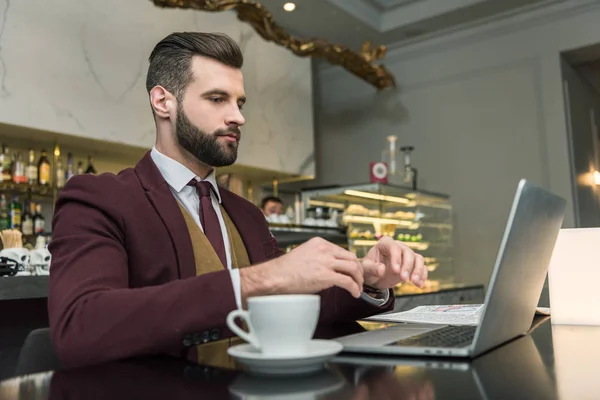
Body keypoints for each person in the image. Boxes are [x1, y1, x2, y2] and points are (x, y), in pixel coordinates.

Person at [48, 32, 427, 369]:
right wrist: (257, 280)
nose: (238, 117)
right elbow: (80, 326)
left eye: (240, 102)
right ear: (163, 102)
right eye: (217, 99)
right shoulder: (100, 198)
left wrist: (366, 280)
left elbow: (304, 302)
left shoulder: (247, 215)